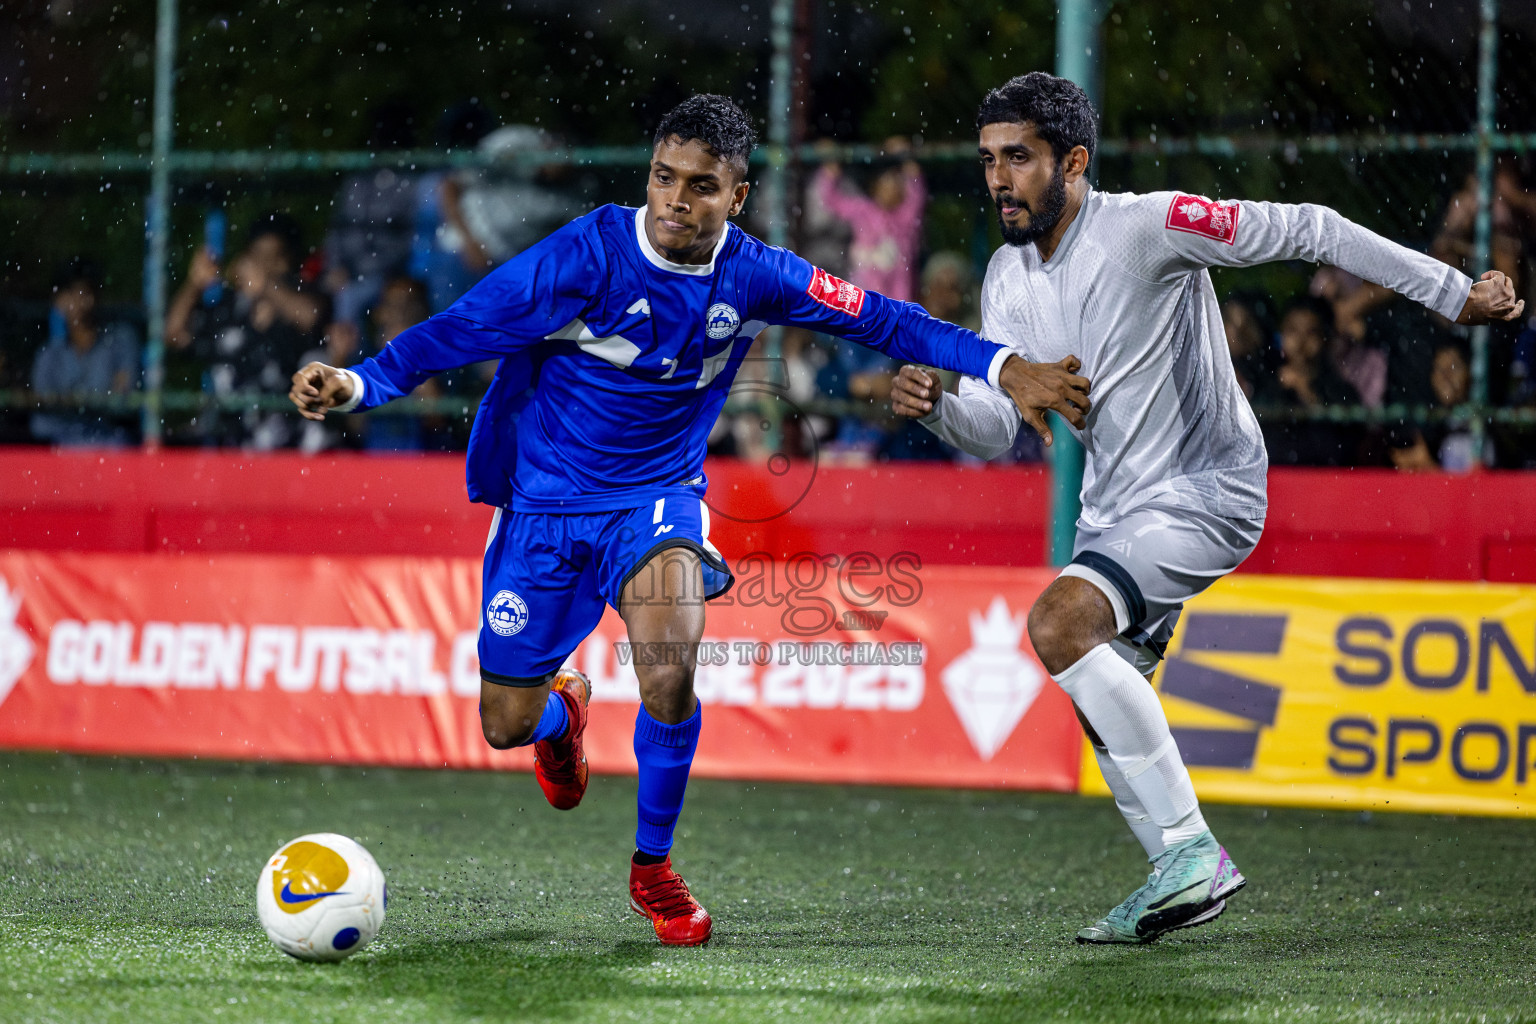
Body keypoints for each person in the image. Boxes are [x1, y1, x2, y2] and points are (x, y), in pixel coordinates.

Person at [289, 94, 1085, 947]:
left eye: (701, 187)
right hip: (545, 507)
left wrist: (1004, 367)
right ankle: (564, 715)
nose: (676, 200)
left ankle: (653, 869)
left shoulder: (755, 272)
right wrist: (362, 384)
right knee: (503, 725)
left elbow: (884, 318)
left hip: (655, 498)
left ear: (735, 197)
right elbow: (464, 326)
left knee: (669, 662)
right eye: (664, 178)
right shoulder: (588, 253)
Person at [890, 72, 1523, 945]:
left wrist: (1454, 294)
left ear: (1074, 162)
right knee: (1095, 689)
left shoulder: (1149, 225)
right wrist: (940, 410)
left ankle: (1192, 851)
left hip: (1208, 492)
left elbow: (1314, 227)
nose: (1000, 178)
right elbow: (1003, 426)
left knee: (1059, 625)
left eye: (1021, 159)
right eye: (990, 159)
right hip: (1115, 518)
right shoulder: (1005, 277)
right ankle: (1172, 877)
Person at [167, 212, 323, 449]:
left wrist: (265, 287)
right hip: (225, 441)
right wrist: (194, 284)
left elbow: (310, 316)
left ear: (288, 261)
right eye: (257, 255)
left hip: (287, 443)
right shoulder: (227, 309)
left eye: (273, 256)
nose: (262, 264)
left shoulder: (301, 300)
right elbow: (174, 334)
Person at [30, 258, 140, 446]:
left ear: (96, 295)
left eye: (84, 292)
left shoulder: (121, 342)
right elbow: (42, 420)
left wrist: (68, 405)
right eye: (71, 294)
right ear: (59, 300)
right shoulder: (48, 354)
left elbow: (124, 402)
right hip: (61, 451)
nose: (78, 301)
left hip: (111, 448)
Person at [1256, 296, 1364, 467]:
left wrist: (1305, 392)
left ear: (1326, 338)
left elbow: (1342, 451)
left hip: (1327, 485)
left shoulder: (1341, 391)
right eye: (1292, 330)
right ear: (1281, 334)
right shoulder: (1267, 387)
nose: (1300, 341)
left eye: (1311, 332)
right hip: (1277, 485)